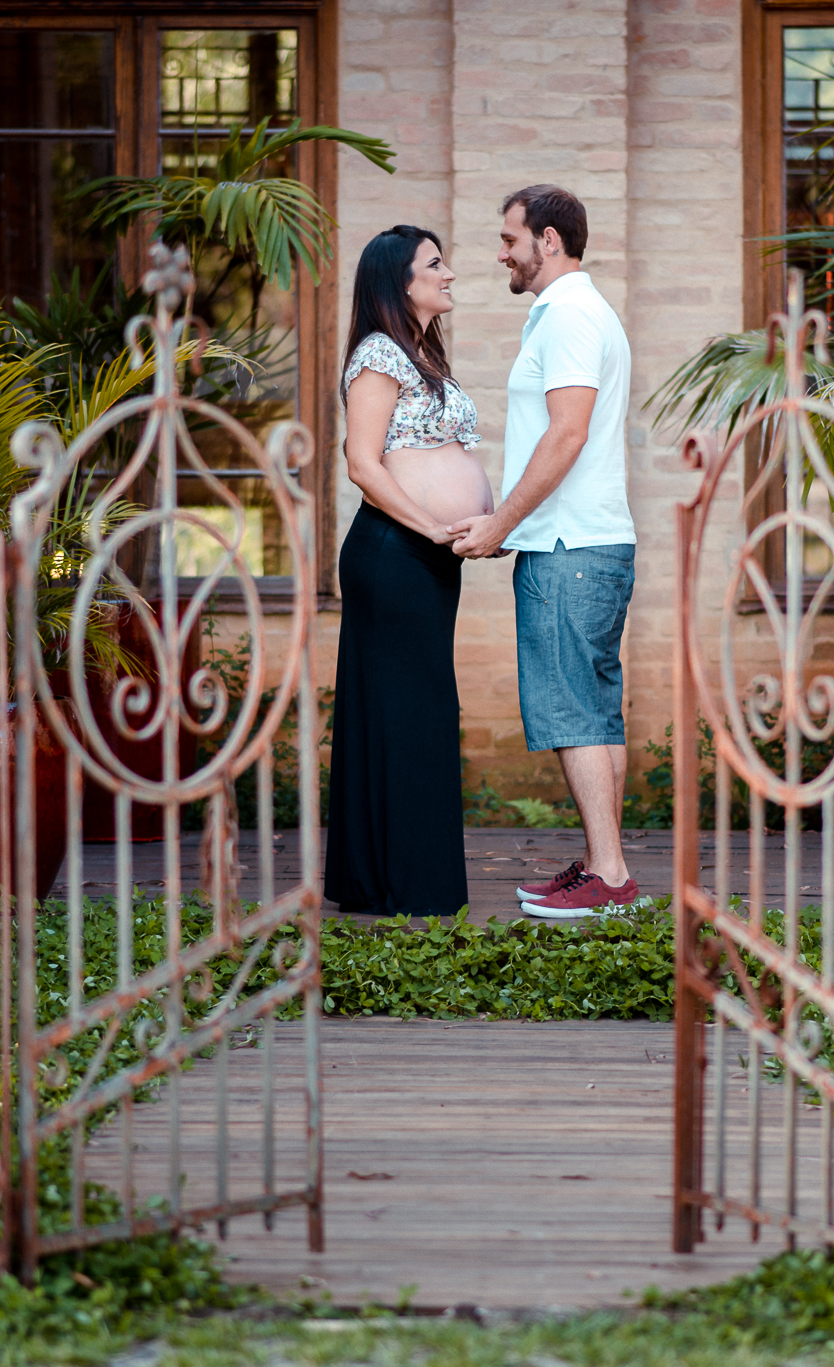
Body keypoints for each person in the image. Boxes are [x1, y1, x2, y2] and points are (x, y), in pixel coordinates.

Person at [447, 185, 638, 919]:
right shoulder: (582, 313)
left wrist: (502, 524)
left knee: (573, 716)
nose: (502, 254)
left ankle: (611, 876)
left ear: (548, 240)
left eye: (510, 240)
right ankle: (602, 863)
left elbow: (566, 435)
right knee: (596, 712)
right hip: (584, 542)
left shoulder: (568, 316)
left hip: (570, 550)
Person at [324, 225, 490, 917]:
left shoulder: (423, 354)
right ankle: (403, 884)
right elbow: (362, 464)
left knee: (417, 710)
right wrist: (429, 527)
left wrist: (488, 522)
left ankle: (390, 878)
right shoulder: (377, 356)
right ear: (401, 281)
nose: (448, 272)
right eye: (434, 263)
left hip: (427, 556)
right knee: (404, 712)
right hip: (394, 553)